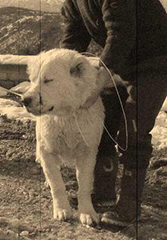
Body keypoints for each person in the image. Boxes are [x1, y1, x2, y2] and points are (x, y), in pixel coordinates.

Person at [60, 0, 167, 227]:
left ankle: (130, 204)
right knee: (103, 121)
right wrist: (62, 78)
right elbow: (72, 41)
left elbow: (121, 33)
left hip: (155, 62)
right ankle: (103, 192)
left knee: (133, 130)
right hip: (122, 63)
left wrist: (101, 78)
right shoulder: (73, 2)